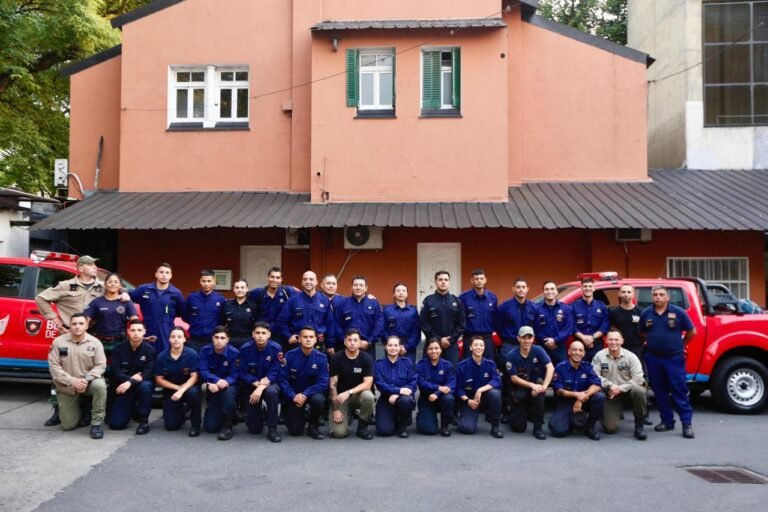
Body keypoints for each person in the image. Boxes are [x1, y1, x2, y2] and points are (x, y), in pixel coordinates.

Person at [36, 255, 105, 426]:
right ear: (80, 268)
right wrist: (55, 320)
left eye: (95, 264)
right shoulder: (66, 285)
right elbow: (41, 298)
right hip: (67, 332)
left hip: (93, 334)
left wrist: (124, 296)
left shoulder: (102, 287)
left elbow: (117, 294)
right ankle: (57, 410)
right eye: (91, 265)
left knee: (90, 371)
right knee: (60, 371)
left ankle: (86, 412)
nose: (95, 267)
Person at [639, 285, 697, 439]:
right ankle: (667, 421)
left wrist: (682, 345)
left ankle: (686, 424)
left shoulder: (678, 312)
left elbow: (692, 331)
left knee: (679, 390)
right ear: (652, 297)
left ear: (667, 297)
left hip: (674, 358)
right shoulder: (646, 313)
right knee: (659, 391)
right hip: (653, 358)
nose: (658, 297)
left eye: (661, 294)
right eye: (655, 295)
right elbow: (642, 333)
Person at [47, 313, 107, 439]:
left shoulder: (95, 343)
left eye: (81, 323)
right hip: (67, 386)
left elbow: (101, 365)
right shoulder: (58, 342)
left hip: (88, 383)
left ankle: (96, 424)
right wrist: (72, 381)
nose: (77, 326)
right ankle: (81, 407)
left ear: (87, 326)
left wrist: (86, 379)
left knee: (100, 386)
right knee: (68, 425)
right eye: (74, 324)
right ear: (70, 325)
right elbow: (54, 366)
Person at [591, 329, 648, 440]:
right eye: (611, 339)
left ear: (622, 341)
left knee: (640, 391)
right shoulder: (599, 356)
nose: (613, 342)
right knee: (610, 429)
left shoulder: (631, 356)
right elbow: (594, 375)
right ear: (606, 340)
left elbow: (638, 378)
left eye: (616, 340)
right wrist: (610, 385)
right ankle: (606, 413)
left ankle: (639, 426)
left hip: (628, 391)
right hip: (610, 394)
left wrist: (620, 388)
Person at [278, 326, 329, 439]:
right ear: (299, 339)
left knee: (318, 399)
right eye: (305, 337)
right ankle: (303, 414)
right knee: (295, 431)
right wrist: (293, 396)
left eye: (311, 337)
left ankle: (313, 425)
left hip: (312, 394)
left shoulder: (321, 358)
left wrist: (305, 394)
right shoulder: (290, 355)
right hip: (294, 395)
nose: (308, 339)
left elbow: (323, 382)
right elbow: (282, 379)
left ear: (315, 340)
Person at [504, 326, 554, 440]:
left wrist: (544, 387)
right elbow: (514, 378)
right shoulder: (511, 355)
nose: (527, 341)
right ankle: (517, 412)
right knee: (519, 428)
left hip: (534, 389)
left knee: (539, 393)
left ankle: (538, 427)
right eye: (524, 338)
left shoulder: (538, 350)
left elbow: (550, 367)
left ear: (533, 338)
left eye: (529, 338)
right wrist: (532, 385)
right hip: (519, 390)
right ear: (518, 338)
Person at [549, 340, 606, 440]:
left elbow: (597, 385)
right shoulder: (560, 367)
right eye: (574, 350)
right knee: (558, 431)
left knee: (600, 397)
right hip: (566, 401)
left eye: (580, 350)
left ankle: (590, 427)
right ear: (569, 352)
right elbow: (558, 391)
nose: (577, 353)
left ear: (583, 353)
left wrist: (581, 398)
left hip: (584, 400)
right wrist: (576, 395)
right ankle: (573, 421)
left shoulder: (587, 367)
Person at [107, 319, 156, 435]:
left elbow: (148, 373)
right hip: (124, 388)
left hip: (139, 386)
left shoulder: (150, 350)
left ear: (144, 332)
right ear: (128, 331)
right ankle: (132, 410)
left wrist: (130, 382)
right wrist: (131, 380)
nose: (136, 333)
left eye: (139, 330)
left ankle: (143, 421)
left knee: (146, 386)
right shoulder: (118, 349)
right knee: (115, 425)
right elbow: (116, 371)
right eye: (133, 330)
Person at [238, 321, 283, 442]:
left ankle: (272, 429)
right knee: (254, 429)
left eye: (263, 333)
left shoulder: (276, 348)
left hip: (270, 383)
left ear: (269, 334)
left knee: (272, 393)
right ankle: (261, 413)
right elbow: (242, 372)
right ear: (253, 334)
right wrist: (255, 383)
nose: (260, 336)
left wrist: (262, 386)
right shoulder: (245, 349)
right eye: (257, 333)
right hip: (252, 384)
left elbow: (276, 371)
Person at [128, 263, 186, 353]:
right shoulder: (144, 289)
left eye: (167, 273)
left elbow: (181, 312)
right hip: (147, 329)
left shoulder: (176, 293)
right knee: (145, 355)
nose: (164, 275)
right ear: (156, 274)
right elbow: (128, 298)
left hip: (166, 331)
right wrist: (123, 293)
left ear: (171, 275)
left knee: (164, 356)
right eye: (161, 272)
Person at [155, 326, 202, 436]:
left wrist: (182, 390)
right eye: (173, 337)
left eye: (179, 337)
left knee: (194, 393)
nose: (176, 339)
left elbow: (194, 376)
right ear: (169, 339)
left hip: (189, 388)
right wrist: (177, 388)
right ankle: (181, 412)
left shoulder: (192, 354)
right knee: (171, 426)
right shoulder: (162, 356)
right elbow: (159, 379)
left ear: (184, 339)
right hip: (172, 390)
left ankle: (195, 425)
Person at [329, 329, 375, 440]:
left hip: (357, 395)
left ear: (360, 343)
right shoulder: (336, 358)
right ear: (345, 342)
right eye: (349, 340)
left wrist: (349, 392)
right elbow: (332, 386)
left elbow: (368, 384)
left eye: (355, 340)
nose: (352, 343)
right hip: (340, 398)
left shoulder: (366, 358)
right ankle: (346, 412)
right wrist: (335, 410)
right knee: (339, 434)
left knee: (369, 396)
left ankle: (362, 427)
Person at [455, 336, 503, 438]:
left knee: (495, 393)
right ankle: (463, 416)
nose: (479, 347)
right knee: (467, 428)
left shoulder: (490, 364)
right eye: (476, 345)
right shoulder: (462, 366)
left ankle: (495, 426)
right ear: (470, 347)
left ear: (484, 348)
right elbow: (457, 388)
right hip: (469, 400)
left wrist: (480, 390)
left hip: (485, 398)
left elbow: (497, 381)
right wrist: (467, 400)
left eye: (481, 345)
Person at [277, 271, 335, 353]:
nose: (308, 281)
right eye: (305, 279)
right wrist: (288, 336)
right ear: (302, 282)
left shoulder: (324, 300)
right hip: (297, 343)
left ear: (316, 282)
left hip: (318, 343)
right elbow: (281, 321)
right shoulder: (293, 300)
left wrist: (330, 345)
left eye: (311, 279)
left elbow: (330, 323)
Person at [198, 326, 240, 440]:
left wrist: (222, 383)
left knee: (227, 394)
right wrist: (217, 381)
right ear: (212, 338)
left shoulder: (234, 353)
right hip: (213, 385)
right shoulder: (205, 351)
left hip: (230, 385)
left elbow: (235, 374)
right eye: (216, 337)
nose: (219, 341)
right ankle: (232, 413)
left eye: (222, 338)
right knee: (210, 427)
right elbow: (203, 370)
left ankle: (228, 426)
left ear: (227, 339)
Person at [419, 270, 465, 367]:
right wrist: (439, 339)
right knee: (430, 371)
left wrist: (450, 340)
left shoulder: (456, 301)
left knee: (452, 371)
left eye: (446, 280)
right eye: (440, 280)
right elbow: (423, 323)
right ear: (435, 282)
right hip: (432, 344)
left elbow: (461, 324)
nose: (443, 282)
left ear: (449, 282)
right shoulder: (428, 301)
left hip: (451, 345)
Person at [374, 336, 417, 438]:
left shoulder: (407, 363)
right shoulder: (379, 364)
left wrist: (397, 394)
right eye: (390, 345)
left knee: (406, 400)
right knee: (384, 431)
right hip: (386, 398)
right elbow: (380, 385)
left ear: (400, 347)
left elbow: (413, 383)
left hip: (403, 398)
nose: (393, 348)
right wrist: (399, 390)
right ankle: (393, 418)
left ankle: (402, 426)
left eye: (395, 345)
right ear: (385, 347)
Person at [84, 272, 139, 353]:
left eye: (116, 282)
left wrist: (138, 335)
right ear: (105, 285)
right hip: (99, 341)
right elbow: (85, 320)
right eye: (110, 282)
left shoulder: (126, 302)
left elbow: (135, 320)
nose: (113, 284)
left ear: (120, 285)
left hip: (120, 341)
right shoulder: (96, 302)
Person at [333, 275, 384, 357]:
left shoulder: (374, 303)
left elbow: (379, 324)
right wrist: (346, 340)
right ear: (351, 287)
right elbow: (336, 324)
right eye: (355, 285)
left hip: (367, 346)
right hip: (346, 346)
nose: (358, 287)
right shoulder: (343, 303)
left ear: (366, 288)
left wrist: (369, 341)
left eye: (361, 285)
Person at [415, 338, 456, 436]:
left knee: (449, 398)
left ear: (441, 350)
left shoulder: (447, 365)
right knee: (429, 430)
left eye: (436, 348)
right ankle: (421, 416)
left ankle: (445, 425)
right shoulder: (420, 365)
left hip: (442, 397)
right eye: (430, 349)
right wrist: (438, 387)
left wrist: (437, 393)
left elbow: (451, 384)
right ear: (426, 351)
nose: (433, 351)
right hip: (426, 399)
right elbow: (421, 383)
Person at [249, 267, 296, 345]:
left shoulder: (288, 291)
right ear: (267, 278)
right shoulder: (258, 293)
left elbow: (302, 296)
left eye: (277, 277)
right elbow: (242, 295)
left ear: (281, 279)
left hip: (281, 335)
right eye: (272, 277)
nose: (274, 280)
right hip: (262, 334)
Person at [459, 269, 498, 360]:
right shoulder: (463, 298)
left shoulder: (493, 298)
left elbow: (495, 318)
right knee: (468, 366)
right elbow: (460, 319)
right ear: (472, 280)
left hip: (487, 339)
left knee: (489, 365)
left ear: (485, 280)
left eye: (481, 278)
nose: (479, 281)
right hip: (470, 338)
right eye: (476, 279)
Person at [495, 277, 537, 361]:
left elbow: (536, 326)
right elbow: (497, 326)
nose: (521, 289)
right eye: (518, 287)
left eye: (523, 287)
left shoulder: (534, 307)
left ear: (527, 289)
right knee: (508, 369)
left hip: (528, 346)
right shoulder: (504, 307)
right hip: (509, 346)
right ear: (513, 289)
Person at [184, 269, 226, 352]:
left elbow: (223, 318)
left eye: (209, 281)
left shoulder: (220, 299)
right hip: (194, 340)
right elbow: (184, 315)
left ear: (213, 282)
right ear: (200, 281)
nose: (206, 284)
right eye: (204, 281)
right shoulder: (192, 298)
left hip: (212, 340)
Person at [534, 280, 573, 365]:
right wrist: (546, 341)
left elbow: (568, 329)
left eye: (552, 289)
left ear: (557, 292)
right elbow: (535, 329)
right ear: (544, 292)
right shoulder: (536, 309)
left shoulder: (566, 309)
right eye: (547, 289)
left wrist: (555, 340)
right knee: (543, 371)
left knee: (561, 370)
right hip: (542, 347)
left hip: (560, 347)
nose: (549, 291)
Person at [571, 277, 610, 361]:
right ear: (581, 288)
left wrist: (592, 338)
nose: (588, 288)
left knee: (596, 367)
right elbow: (572, 325)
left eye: (590, 286)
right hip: (579, 344)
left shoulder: (601, 306)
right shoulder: (574, 306)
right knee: (579, 367)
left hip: (597, 344)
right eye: (585, 286)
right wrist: (583, 338)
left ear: (594, 288)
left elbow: (605, 326)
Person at [382, 283, 421, 361]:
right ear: (394, 294)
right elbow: (383, 329)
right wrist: (392, 345)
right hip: (391, 346)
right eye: (398, 291)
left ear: (407, 294)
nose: (401, 293)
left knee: (409, 367)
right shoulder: (387, 310)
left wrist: (406, 347)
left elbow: (416, 331)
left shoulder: (413, 311)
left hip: (408, 347)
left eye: (403, 291)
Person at [220, 279, 260, 349]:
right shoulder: (226, 305)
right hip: (230, 341)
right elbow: (222, 323)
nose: (239, 290)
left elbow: (257, 324)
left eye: (242, 287)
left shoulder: (253, 306)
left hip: (248, 341)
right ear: (233, 289)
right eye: (237, 287)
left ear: (247, 289)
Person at [609, 284, 644, 357]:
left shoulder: (641, 312)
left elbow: (645, 331)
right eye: (623, 292)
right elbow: (612, 331)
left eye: (629, 292)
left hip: (638, 349)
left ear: (633, 294)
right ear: (619, 294)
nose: (626, 294)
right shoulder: (614, 313)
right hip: (619, 349)